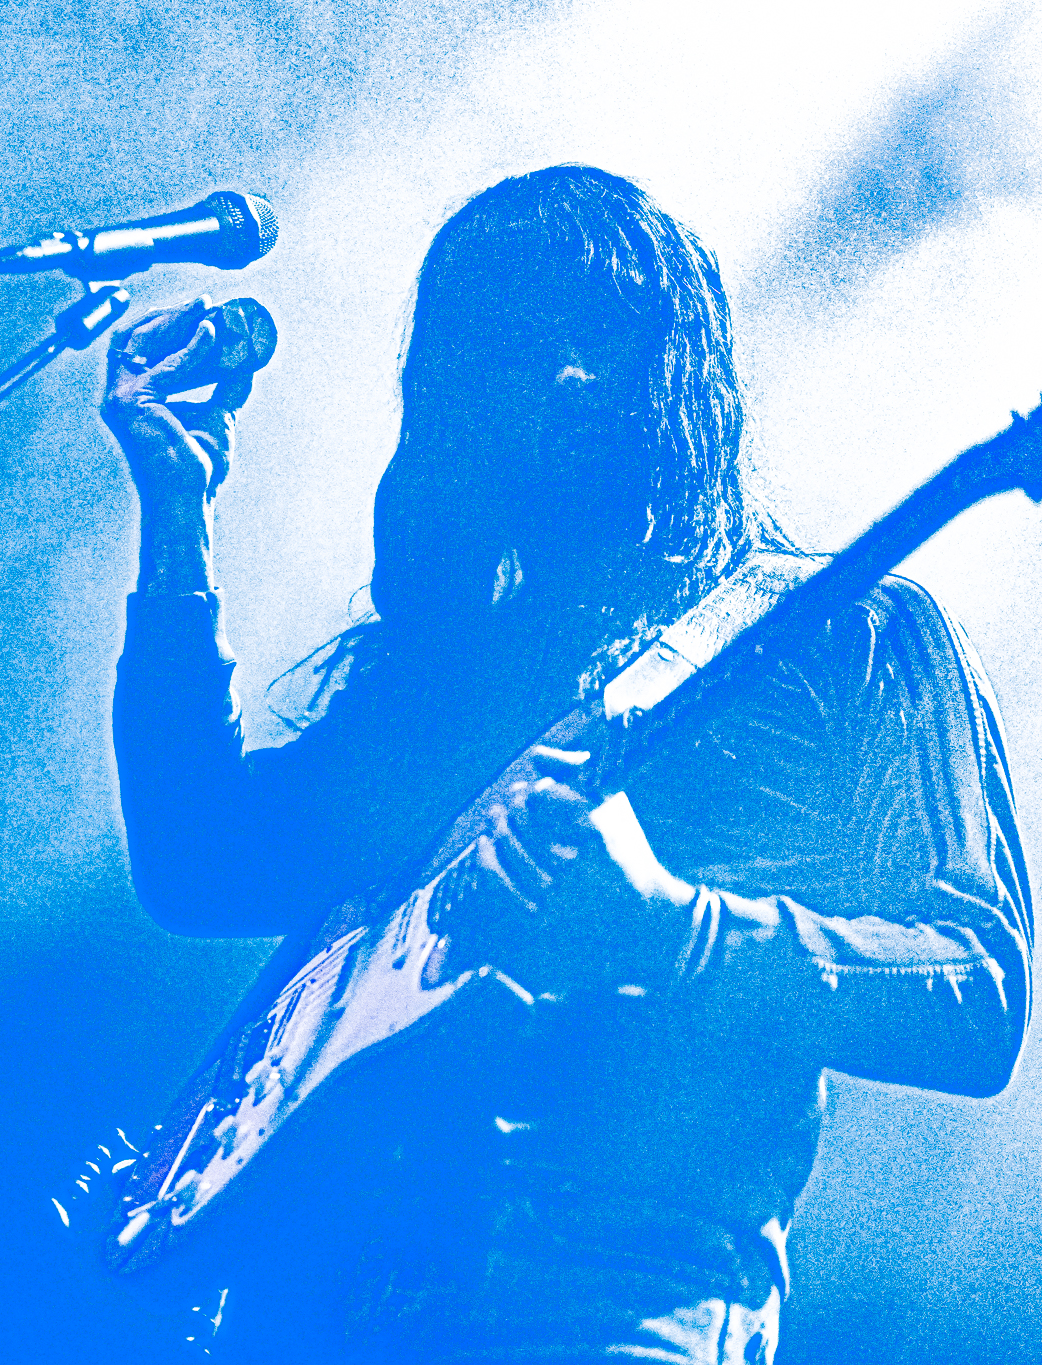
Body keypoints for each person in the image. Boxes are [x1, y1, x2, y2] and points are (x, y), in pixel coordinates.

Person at [97, 166, 1031, 1363]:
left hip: (608, 1300)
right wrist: (176, 521)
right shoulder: (442, 672)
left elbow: (976, 990)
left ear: (680, 367)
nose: (569, 376)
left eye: (606, 333)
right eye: (520, 344)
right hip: (315, 1307)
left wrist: (673, 928)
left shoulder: (850, 634)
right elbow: (198, 865)